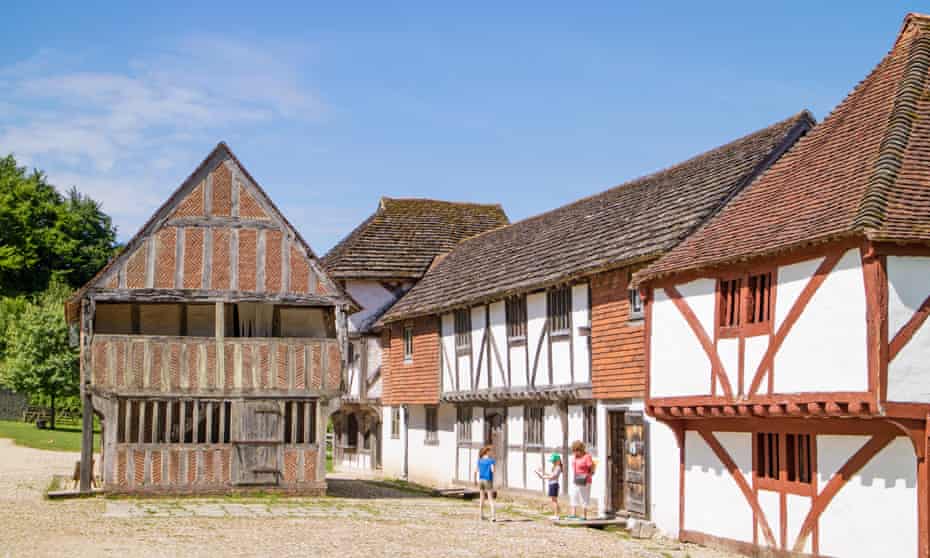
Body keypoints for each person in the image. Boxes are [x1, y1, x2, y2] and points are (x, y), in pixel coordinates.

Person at [569, 440, 595, 520]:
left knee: (583, 497)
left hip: (585, 480)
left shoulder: (587, 457)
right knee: (574, 495)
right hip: (576, 478)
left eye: (576, 451)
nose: (575, 453)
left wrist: (589, 475)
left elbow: (592, 467)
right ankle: (573, 514)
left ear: (580, 449)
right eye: (574, 451)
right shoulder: (575, 457)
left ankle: (584, 515)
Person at [535, 453, 563, 519]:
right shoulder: (555, 467)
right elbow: (550, 474)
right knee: (554, 500)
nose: (552, 462)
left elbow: (553, 476)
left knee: (554, 500)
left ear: (558, 461)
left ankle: (556, 515)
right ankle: (558, 513)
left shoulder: (558, 468)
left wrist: (543, 477)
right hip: (552, 484)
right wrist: (543, 472)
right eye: (552, 461)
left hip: (554, 484)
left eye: (554, 461)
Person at [475, 445, 496, 522]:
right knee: (490, 498)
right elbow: (493, 470)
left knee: (481, 498)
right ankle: (493, 517)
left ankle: (481, 516)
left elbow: (476, 470)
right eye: (490, 451)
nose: (491, 453)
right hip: (488, 480)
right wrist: (492, 469)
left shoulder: (480, 460)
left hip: (481, 480)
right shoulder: (490, 460)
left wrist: (475, 480)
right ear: (487, 452)